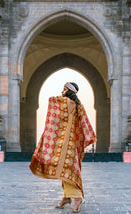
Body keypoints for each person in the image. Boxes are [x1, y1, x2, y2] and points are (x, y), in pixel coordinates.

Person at [30, 82, 97, 213]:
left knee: (67, 170)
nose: (62, 91)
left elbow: (52, 102)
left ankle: (77, 198)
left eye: (65, 89)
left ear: (69, 91)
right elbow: (84, 124)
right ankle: (66, 197)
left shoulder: (63, 102)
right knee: (66, 169)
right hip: (71, 145)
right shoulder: (79, 106)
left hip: (63, 144)